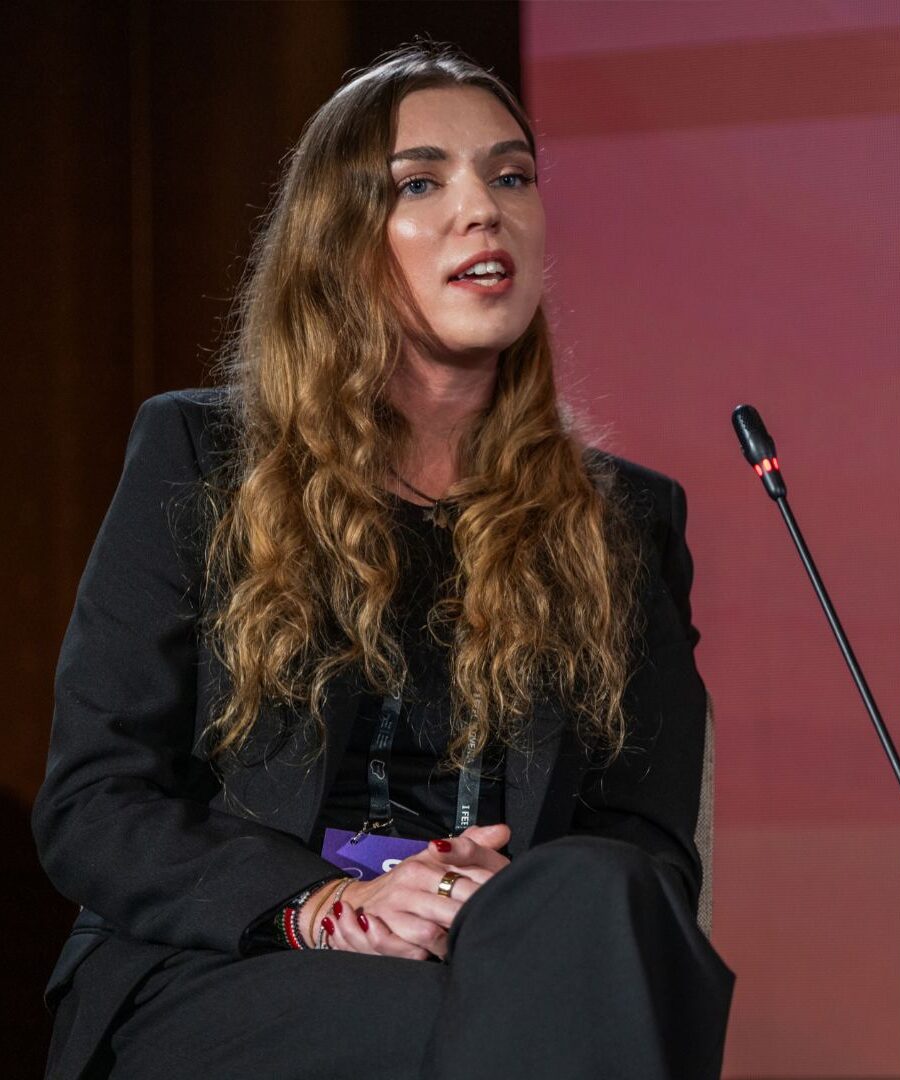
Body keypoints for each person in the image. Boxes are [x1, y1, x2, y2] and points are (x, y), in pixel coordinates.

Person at [33, 43, 732, 1079]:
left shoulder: (624, 520)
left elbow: (649, 845)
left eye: (512, 176)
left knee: (600, 896)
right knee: (491, 1029)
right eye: (420, 183)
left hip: (507, 955)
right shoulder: (202, 458)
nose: (483, 210)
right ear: (340, 239)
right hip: (238, 960)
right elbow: (97, 802)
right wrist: (328, 904)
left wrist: (492, 906)